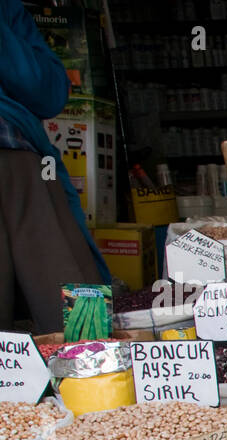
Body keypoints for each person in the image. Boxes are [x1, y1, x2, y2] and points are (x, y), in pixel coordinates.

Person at [0, 0, 109, 333]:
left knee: (67, 285)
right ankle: (90, 362)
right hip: (18, 164)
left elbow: (49, 93)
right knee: (71, 292)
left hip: (17, 160)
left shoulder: (8, 10)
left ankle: (90, 362)